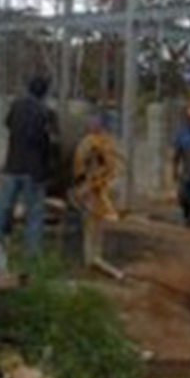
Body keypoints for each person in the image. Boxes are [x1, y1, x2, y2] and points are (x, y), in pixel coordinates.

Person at [0, 76, 59, 254]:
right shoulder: (47, 113)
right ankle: (32, 254)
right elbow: (54, 142)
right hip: (34, 172)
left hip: (12, 166)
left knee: (0, 209)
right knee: (34, 214)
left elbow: (8, 124)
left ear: (28, 88)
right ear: (45, 92)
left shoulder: (16, 106)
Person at [71, 112, 119, 267]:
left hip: (98, 188)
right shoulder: (90, 143)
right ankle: (91, 259)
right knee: (92, 225)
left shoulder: (101, 143)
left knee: (96, 225)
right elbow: (79, 168)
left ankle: (95, 258)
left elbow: (110, 165)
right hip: (92, 188)